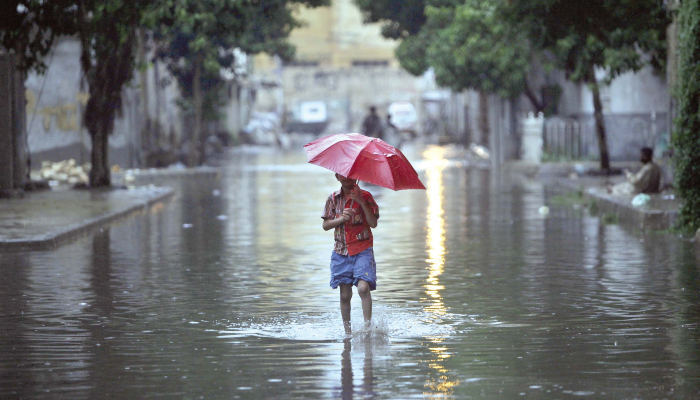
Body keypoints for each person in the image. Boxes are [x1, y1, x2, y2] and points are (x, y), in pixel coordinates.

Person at [321, 173, 379, 335]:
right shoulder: (333, 199)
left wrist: (361, 202)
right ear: (337, 177)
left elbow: (373, 223)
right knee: (345, 295)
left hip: (362, 249)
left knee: (363, 288)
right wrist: (340, 219)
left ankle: (367, 328)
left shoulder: (366, 196)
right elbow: (325, 225)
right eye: (343, 176)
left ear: (357, 177)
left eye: (351, 175)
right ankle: (348, 333)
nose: (348, 179)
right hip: (341, 251)